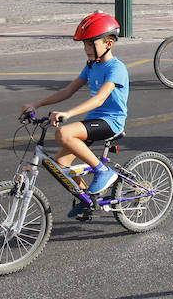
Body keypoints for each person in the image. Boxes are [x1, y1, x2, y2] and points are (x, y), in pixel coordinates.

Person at [20, 13, 129, 217]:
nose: (86, 49)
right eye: (84, 45)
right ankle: (88, 199)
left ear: (109, 43)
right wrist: (36, 104)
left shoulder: (116, 68)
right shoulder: (91, 66)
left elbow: (99, 100)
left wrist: (67, 113)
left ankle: (103, 171)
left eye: (90, 44)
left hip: (110, 122)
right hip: (93, 122)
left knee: (63, 134)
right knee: (60, 165)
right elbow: (67, 91)